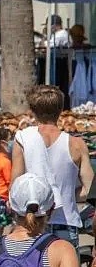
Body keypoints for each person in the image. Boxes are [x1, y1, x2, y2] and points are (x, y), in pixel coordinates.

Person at [12, 85, 93, 248]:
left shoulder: (23, 139)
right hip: (66, 221)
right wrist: (69, 194)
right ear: (60, 109)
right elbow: (88, 188)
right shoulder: (76, 144)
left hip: (32, 222)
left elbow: (16, 185)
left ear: (33, 110)